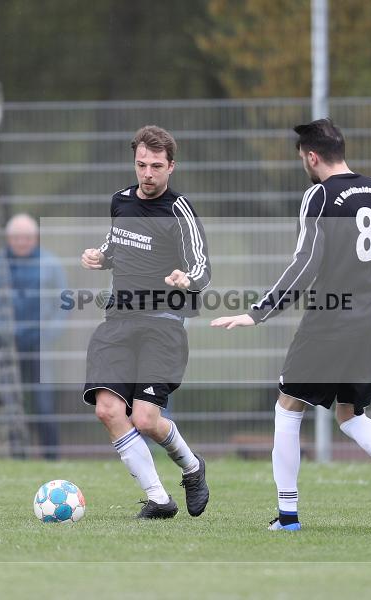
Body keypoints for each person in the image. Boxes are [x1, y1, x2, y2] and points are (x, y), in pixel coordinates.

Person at [211, 118, 371, 532]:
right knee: (350, 413)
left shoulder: (319, 195)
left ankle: (287, 517)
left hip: (330, 317)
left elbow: (304, 264)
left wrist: (258, 312)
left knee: (288, 406)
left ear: (311, 157)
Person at [81, 125, 211, 519]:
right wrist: (100, 255)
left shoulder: (179, 210)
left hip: (162, 324)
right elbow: (117, 242)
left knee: (146, 418)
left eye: (157, 166)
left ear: (172, 166)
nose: (148, 174)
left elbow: (202, 266)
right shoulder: (120, 201)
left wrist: (186, 279)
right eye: (141, 165)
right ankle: (158, 499)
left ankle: (191, 468)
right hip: (118, 321)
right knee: (107, 410)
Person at [0, 213, 68, 460]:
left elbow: (64, 302)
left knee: (43, 404)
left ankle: (51, 458)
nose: (22, 242)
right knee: (10, 404)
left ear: (36, 238)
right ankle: (18, 457)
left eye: (27, 237)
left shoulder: (50, 264)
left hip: (40, 344)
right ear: (8, 238)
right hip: (5, 345)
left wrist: (50, 333)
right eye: (17, 237)